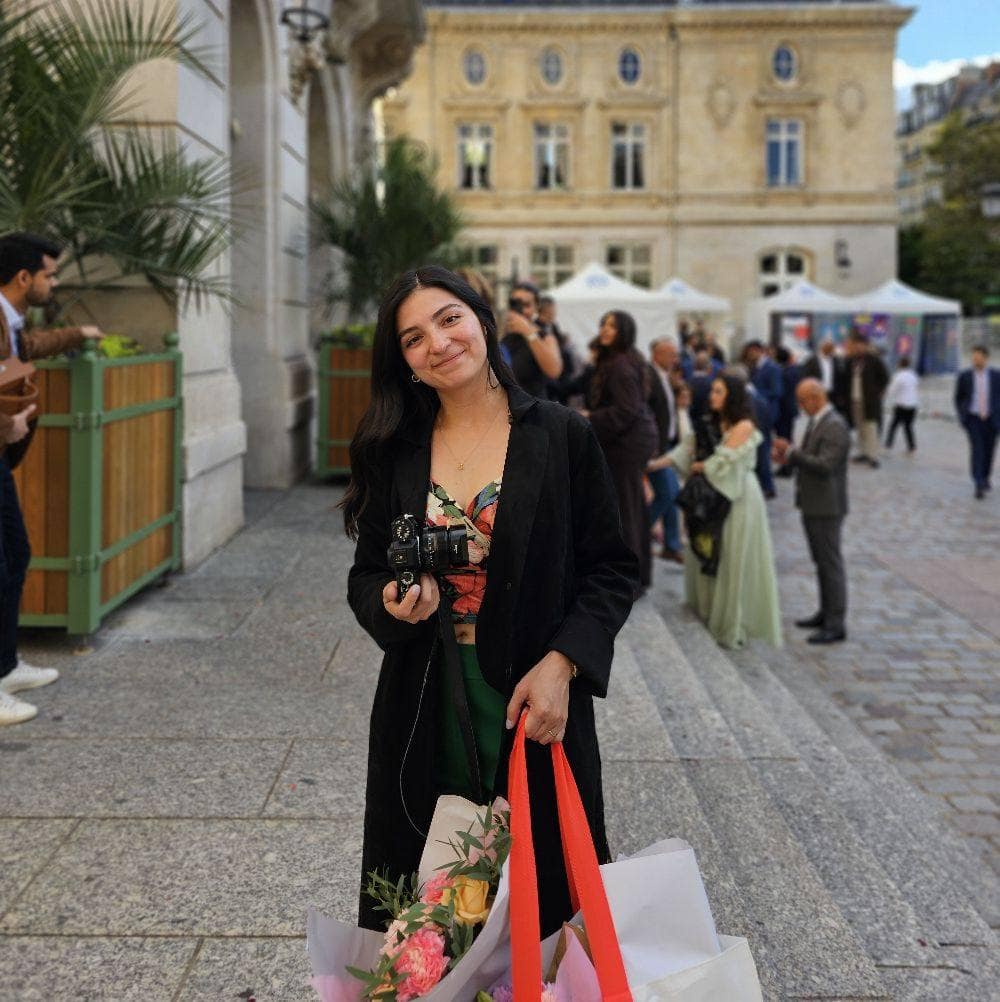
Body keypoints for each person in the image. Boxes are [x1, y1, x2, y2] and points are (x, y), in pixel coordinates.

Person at [343, 266, 638, 938]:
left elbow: (613, 570)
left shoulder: (560, 435)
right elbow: (365, 576)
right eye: (414, 338)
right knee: (427, 898)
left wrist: (564, 662)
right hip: (425, 698)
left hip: (533, 697)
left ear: (481, 319)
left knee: (545, 897)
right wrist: (390, 601)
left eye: (449, 319)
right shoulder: (393, 451)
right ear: (405, 362)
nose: (438, 343)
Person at [0, 233, 102, 726]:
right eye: (49, 275)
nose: (54, 283)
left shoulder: (9, 318)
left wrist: (79, 334)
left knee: (15, 554)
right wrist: (7, 425)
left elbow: (27, 348)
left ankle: (5, 667)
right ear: (24, 278)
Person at [648, 372, 782, 649]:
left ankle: (732, 623)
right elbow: (684, 451)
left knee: (732, 557)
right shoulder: (709, 422)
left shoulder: (744, 425)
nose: (712, 396)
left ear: (732, 396)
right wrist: (651, 465)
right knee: (709, 553)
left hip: (739, 497)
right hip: (711, 498)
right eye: (712, 391)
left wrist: (701, 465)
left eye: (719, 392)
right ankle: (710, 611)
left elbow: (721, 461)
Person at [583, 311, 659, 596]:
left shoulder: (621, 365)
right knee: (633, 510)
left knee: (626, 513)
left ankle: (630, 582)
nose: (605, 329)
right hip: (629, 442)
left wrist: (590, 417)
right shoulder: (622, 360)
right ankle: (637, 577)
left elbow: (626, 410)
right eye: (603, 323)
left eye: (612, 326)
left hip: (626, 445)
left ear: (624, 331)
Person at [773, 378, 851, 644]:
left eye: (802, 400)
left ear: (816, 398)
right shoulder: (817, 421)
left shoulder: (835, 425)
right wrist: (789, 456)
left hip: (827, 506)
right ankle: (825, 612)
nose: (800, 406)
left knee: (830, 563)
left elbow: (825, 465)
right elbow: (809, 456)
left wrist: (791, 453)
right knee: (821, 562)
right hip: (813, 502)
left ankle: (836, 623)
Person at [647, 338, 683, 564]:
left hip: (666, 445)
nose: (675, 359)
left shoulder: (664, 375)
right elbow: (646, 413)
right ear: (657, 354)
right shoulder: (649, 376)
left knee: (673, 493)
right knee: (667, 493)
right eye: (671, 354)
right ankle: (637, 532)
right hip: (655, 448)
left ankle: (672, 545)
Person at [500, 281, 562, 399]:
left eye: (526, 305)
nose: (521, 310)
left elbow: (554, 371)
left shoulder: (544, 336)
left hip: (534, 405)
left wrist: (528, 331)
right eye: (515, 304)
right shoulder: (504, 336)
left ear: (536, 308)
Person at [954, 345, 1000, 499]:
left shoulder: (996, 376)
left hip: (992, 419)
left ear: (986, 358)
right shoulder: (965, 376)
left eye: (978, 358)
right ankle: (978, 482)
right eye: (973, 358)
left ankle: (985, 477)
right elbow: (958, 398)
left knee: (989, 450)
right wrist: (963, 416)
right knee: (977, 450)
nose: (975, 360)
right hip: (973, 419)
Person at [743, 340, 782, 497]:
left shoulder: (772, 368)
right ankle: (764, 484)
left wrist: (755, 392)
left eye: (751, 352)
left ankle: (768, 486)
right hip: (757, 412)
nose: (749, 355)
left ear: (758, 350)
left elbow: (777, 391)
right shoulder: (754, 367)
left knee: (764, 449)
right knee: (760, 449)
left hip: (766, 413)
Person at [845, 331, 889, 468]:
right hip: (855, 399)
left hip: (869, 400)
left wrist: (878, 392)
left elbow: (885, 377)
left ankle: (873, 456)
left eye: (859, 345)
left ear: (864, 345)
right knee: (860, 426)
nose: (856, 348)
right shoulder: (852, 360)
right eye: (854, 345)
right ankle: (863, 452)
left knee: (870, 427)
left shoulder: (874, 360)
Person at [538, 295, 581, 404]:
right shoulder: (537, 328)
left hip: (562, 376)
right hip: (551, 381)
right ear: (547, 309)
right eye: (554, 309)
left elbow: (560, 342)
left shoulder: (553, 325)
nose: (555, 312)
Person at [802, 338, 849, 416]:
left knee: (833, 415)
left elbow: (840, 378)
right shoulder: (811, 361)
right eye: (828, 348)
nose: (831, 351)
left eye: (832, 349)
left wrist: (841, 394)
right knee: (818, 414)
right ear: (822, 348)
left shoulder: (836, 360)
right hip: (817, 394)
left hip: (833, 394)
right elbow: (806, 377)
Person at [884, 355, 919, 454]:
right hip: (913, 405)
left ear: (899, 365)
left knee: (893, 425)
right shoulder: (913, 375)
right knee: (908, 426)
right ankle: (912, 446)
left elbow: (892, 390)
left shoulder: (898, 376)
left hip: (901, 405)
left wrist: (886, 396)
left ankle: (888, 444)